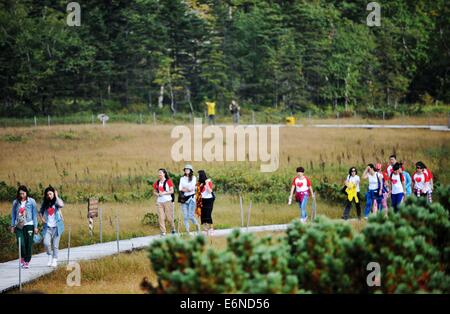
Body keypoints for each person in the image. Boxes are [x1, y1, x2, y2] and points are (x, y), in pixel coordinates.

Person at [10, 185, 38, 269]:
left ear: (26, 193)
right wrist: (12, 225)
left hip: (29, 224)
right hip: (19, 225)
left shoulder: (32, 201)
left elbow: (34, 215)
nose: (22, 195)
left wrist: (36, 227)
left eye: (23, 193)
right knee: (20, 242)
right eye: (20, 194)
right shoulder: (15, 202)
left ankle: (26, 261)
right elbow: (13, 214)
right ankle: (22, 257)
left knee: (28, 244)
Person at [39, 186, 65, 267]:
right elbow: (41, 211)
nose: (49, 196)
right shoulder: (45, 203)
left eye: (50, 194)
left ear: (53, 193)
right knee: (46, 243)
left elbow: (61, 205)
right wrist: (42, 218)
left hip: (57, 226)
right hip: (48, 227)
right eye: (47, 194)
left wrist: (57, 196)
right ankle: (49, 255)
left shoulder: (56, 202)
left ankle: (55, 260)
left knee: (55, 245)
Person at [153, 169, 176, 236]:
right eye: (158, 173)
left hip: (168, 201)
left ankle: (173, 228)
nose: (159, 174)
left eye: (160, 173)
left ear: (164, 174)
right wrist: (157, 194)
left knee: (169, 217)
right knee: (161, 217)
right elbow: (154, 191)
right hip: (159, 202)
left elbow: (172, 191)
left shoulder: (168, 181)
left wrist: (164, 193)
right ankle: (163, 232)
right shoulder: (157, 182)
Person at [179, 164, 200, 235]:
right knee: (185, 216)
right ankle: (188, 231)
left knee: (191, 215)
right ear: (184, 170)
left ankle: (197, 225)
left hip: (192, 198)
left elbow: (192, 187)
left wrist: (186, 189)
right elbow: (180, 188)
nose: (186, 170)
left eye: (188, 169)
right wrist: (187, 189)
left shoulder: (193, 177)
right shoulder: (182, 178)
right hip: (184, 199)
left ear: (191, 170)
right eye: (185, 169)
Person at [197, 170, 215, 235]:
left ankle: (211, 229)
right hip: (202, 200)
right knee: (203, 215)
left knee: (208, 214)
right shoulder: (200, 183)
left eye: (198, 175)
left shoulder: (208, 181)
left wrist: (206, 183)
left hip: (209, 200)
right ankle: (205, 230)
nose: (197, 176)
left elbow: (210, 191)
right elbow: (198, 191)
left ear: (201, 175)